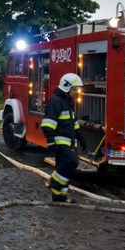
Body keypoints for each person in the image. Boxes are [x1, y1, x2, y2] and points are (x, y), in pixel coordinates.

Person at [42, 73, 84, 203]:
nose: (76, 92)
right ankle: (53, 181)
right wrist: (50, 141)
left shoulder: (68, 102)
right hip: (60, 142)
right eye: (74, 89)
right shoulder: (56, 102)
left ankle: (59, 197)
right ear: (66, 87)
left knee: (63, 167)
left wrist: (80, 137)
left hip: (68, 142)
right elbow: (47, 124)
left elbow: (73, 123)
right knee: (72, 162)